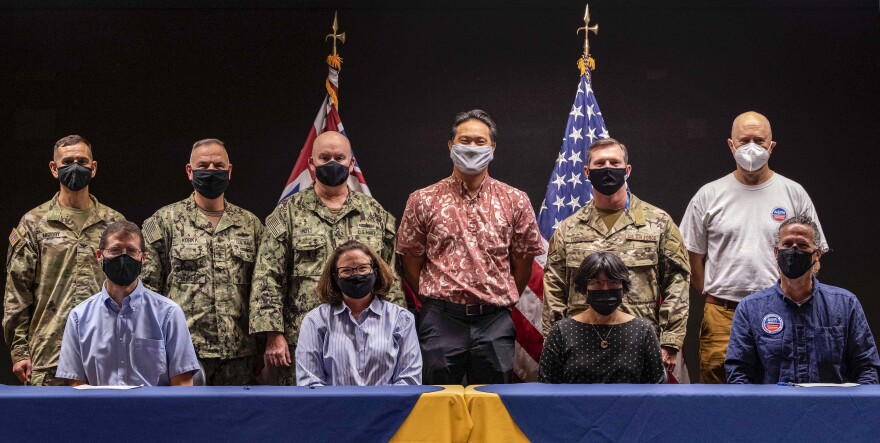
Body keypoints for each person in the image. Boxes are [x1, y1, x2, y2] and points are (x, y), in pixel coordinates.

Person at [397, 109, 545, 385]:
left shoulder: (516, 200)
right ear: (451, 146)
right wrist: (438, 302)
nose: (472, 147)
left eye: (480, 142)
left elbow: (523, 264)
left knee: (493, 406)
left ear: (493, 148)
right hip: (441, 320)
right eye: (465, 141)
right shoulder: (422, 200)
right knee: (437, 404)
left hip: (494, 321)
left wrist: (495, 298)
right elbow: (410, 262)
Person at [680, 111, 828, 383]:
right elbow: (692, 256)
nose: (751, 147)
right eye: (744, 139)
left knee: (780, 384)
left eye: (759, 141)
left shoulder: (793, 193)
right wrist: (712, 292)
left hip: (781, 310)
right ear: (731, 145)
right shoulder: (709, 195)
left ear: (771, 146)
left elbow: (814, 254)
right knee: (718, 392)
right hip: (723, 314)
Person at [250, 131, 404, 385]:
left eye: (339, 157)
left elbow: (390, 278)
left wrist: (396, 330)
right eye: (324, 157)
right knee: (306, 413)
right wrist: (273, 334)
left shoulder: (374, 213)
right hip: (302, 339)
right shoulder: (287, 213)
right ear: (311, 164)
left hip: (366, 339)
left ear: (351, 163)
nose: (332, 163)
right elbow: (267, 276)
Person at [543, 138, 690, 375]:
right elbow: (554, 289)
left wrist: (669, 341)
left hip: (640, 345)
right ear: (587, 172)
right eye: (600, 164)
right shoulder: (568, 229)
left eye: (615, 162)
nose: (608, 167)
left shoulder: (659, 223)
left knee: (642, 411)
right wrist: (554, 342)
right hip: (581, 345)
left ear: (627, 170)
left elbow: (677, 283)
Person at [3, 135, 125, 386]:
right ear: (54, 168)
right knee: (48, 425)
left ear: (93, 168)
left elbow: (129, 288)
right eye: (67, 161)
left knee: (106, 423)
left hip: (104, 350)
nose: (75, 166)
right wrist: (19, 352)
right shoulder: (34, 223)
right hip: (49, 354)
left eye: (82, 160)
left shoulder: (115, 223)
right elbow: (17, 291)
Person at [141, 138, 263, 385]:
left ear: (229, 171)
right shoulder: (165, 221)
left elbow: (263, 288)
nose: (211, 171)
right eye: (203, 165)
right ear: (189, 171)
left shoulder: (250, 225)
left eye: (218, 166)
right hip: (183, 353)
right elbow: (147, 292)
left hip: (240, 354)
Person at [725, 216, 879, 384]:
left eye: (803, 245)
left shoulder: (845, 304)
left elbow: (866, 367)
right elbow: (739, 373)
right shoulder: (750, 309)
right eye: (787, 244)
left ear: (817, 254)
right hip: (773, 408)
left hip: (831, 408)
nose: (794, 250)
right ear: (776, 253)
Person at [56, 221, 200, 386]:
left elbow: (182, 386)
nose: (123, 258)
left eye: (131, 251)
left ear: (143, 257)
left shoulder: (168, 314)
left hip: (154, 411)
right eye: (115, 250)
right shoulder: (78, 318)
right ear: (99, 255)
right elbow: (76, 386)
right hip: (100, 411)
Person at [296, 241, 421, 386]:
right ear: (335, 277)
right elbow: (309, 382)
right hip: (334, 408)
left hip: (387, 408)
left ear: (375, 270)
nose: (355, 275)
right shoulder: (315, 321)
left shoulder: (402, 319)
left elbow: (409, 380)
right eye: (346, 271)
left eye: (363, 268)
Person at [539, 252, 665, 384]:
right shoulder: (561, 331)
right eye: (597, 282)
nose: (605, 289)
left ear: (623, 287)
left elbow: (656, 387)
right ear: (584, 287)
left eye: (613, 282)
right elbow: (547, 387)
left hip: (629, 405)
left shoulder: (643, 331)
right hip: (575, 405)